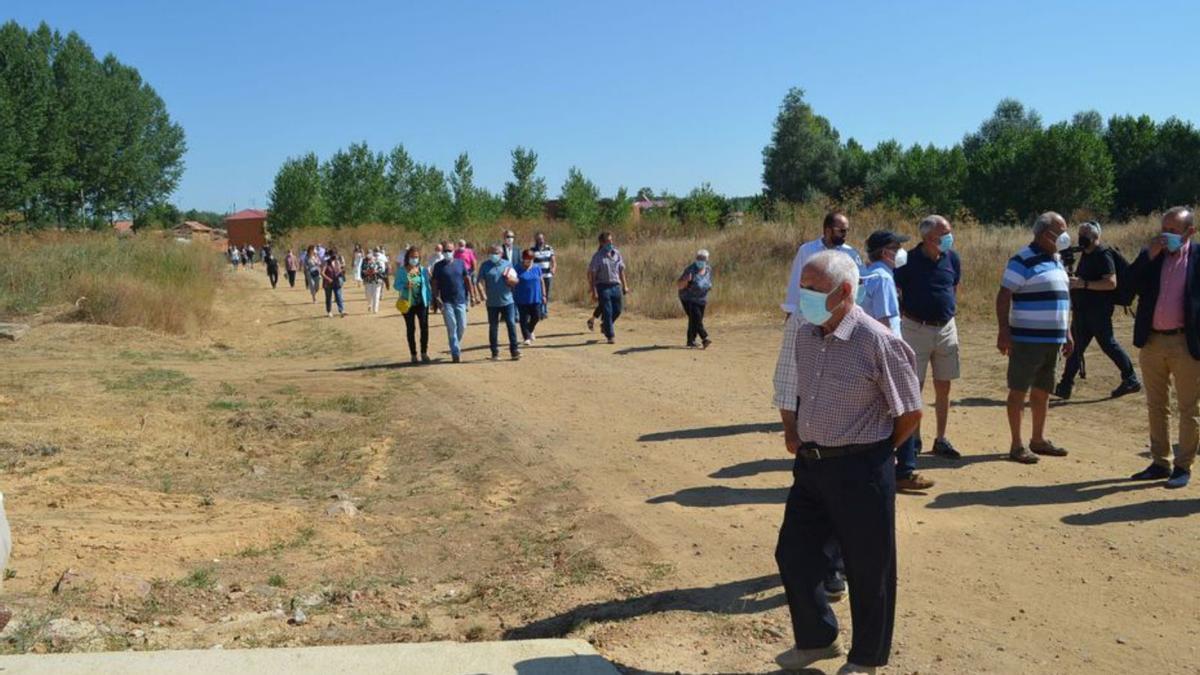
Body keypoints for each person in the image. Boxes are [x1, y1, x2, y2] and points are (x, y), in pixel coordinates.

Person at [771, 250, 923, 675]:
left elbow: (910, 412)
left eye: (814, 290)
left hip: (862, 467)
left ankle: (866, 658)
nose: (804, 298)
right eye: (802, 287)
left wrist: (876, 451)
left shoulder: (879, 341)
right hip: (812, 465)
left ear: (845, 293)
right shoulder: (804, 334)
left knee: (869, 567)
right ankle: (818, 639)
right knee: (794, 554)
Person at [1127, 206, 1200, 488]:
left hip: (1186, 343)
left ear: (1189, 232)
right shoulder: (1152, 258)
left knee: (1189, 408)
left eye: (1173, 230)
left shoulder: (1197, 258)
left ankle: (1183, 467)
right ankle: (1160, 462)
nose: (1166, 235)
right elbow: (1125, 291)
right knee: (1156, 405)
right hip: (1152, 341)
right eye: (1164, 229)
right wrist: (1147, 257)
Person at [996, 212, 1075, 464]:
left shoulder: (1057, 259)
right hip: (1026, 340)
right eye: (1060, 230)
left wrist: (1067, 332)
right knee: (1018, 390)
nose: (1065, 235)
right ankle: (1016, 445)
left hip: (1053, 340)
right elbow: (1004, 295)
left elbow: (1063, 298)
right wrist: (1004, 331)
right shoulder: (1022, 259)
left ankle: (1038, 440)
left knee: (1043, 390)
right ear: (1044, 234)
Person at [861, 230, 933, 492]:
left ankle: (887, 467)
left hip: (867, 352)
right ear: (885, 252)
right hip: (887, 352)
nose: (901, 251)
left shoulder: (867, 274)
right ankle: (905, 470)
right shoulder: (882, 279)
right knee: (907, 409)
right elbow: (885, 322)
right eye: (897, 246)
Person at [893, 215, 963, 460]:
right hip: (915, 329)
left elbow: (953, 287)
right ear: (928, 237)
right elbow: (896, 291)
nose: (949, 237)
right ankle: (914, 439)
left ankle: (941, 439)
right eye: (944, 234)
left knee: (944, 385)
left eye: (949, 232)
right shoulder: (908, 261)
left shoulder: (952, 257)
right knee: (915, 387)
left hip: (946, 328)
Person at [1054, 221, 1141, 400]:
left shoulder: (1103, 254)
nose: (1081, 238)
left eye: (1086, 234)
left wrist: (1082, 284)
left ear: (1096, 237)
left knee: (1108, 344)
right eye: (1080, 234)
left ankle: (1131, 378)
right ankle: (1065, 385)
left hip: (1098, 310)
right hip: (1083, 310)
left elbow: (1111, 282)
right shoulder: (1086, 254)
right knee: (1076, 347)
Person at [781, 212, 863, 316]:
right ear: (828, 230)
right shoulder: (807, 250)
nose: (845, 234)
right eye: (842, 231)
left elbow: (860, 286)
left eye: (847, 230)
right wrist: (791, 310)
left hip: (840, 313)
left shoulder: (851, 253)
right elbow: (796, 280)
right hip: (811, 312)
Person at [430, 239, 472, 363]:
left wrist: (473, 295)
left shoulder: (460, 263)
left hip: (460, 300)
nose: (448, 252)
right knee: (452, 326)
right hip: (446, 301)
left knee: (462, 326)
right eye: (446, 250)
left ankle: (455, 344)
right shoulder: (438, 266)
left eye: (450, 250)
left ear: (454, 250)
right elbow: (434, 283)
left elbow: (467, 279)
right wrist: (436, 298)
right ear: (442, 251)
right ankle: (455, 352)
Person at [477, 244, 521, 361]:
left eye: (496, 252)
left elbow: (516, 280)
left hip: (508, 301)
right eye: (491, 252)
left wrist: (512, 280)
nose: (493, 255)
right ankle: (495, 352)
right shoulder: (485, 265)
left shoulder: (507, 264)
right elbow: (479, 281)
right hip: (492, 303)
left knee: (511, 324)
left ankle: (514, 350)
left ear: (501, 254)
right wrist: (482, 293)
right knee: (493, 327)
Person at [588, 232, 630, 344]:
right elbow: (592, 275)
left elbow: (621, 270)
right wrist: (594, 291)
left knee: (617, 310)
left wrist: (625, 285)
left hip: (616, 286)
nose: (610, 242)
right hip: (603, 287)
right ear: (602, 242)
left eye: (611, 240)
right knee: (607, 311)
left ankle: (605, 325)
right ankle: (610, 335)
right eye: (608, 241)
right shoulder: (597, 257)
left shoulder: (617, 253)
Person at [396, 245, 432, 364]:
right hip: (408, 303)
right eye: (412, 257)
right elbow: (396, 285)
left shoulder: (423, 270)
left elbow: (427, 286)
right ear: (408, 257)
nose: (414, 259)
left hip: (422, 302)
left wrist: (430, 300)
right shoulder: (402, 270)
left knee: (424, 327)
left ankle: (424, 353)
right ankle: (413, 354)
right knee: (411, 328)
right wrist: (405, 286)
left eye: (416, 257)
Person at [677, 249, 713, 348]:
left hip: (702, 299)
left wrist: (709, 287)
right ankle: (705, 338)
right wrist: (687, 281)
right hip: (688, 298)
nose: (700, 260)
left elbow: (709, 281)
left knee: (695, 319)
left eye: (703, 258)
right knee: (696, 319)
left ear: (707, 260)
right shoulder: (690, 270)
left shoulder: (708, 269)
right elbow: (679, 285)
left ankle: (690, 341)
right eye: (698, 258)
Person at [515, 248, 547, 345]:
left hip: (535, 297)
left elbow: (541, 281)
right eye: (526, 259)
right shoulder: (517, 268)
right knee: (523, 319)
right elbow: (512, 281)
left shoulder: (537, 268)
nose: (528, 261)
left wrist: (544, 295)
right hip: (522, 298)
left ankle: (529, 330)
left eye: (530, 259)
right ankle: (526, 337)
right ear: (523, 259)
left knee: (536, 316)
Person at [531, 232, 557, 318]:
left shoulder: (549, 248)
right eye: (539, 239)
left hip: (547, 275)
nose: (541, 240)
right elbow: (530, 263)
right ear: (536, 240)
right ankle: (540, 311)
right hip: (537, 276)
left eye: (542, 238)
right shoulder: (532, 250)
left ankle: (544, 311)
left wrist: (553, 268)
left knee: (547, 293)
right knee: (539, 293)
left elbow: (553, 261)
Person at [320, 248, 346, 318]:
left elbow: (339, 271)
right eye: (333, 254)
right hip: (328, 283)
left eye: (336, 254)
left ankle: (341, 311)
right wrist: (328, 279)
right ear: (330, 255)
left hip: (337, 282)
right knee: (328, 298)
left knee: (338, 296)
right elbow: (322, 273)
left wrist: (342, 273)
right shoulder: (326, 262)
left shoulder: (337, 262)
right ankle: (329, 311)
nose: (335, 256)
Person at [361, 248, 385, 314]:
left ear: (372, 254)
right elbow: (362, 270)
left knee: (376, 295)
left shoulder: (377, 260)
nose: (368, 255)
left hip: (377, 280)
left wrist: (376, 271)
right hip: (368, 281)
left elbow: (381, 269)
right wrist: (366, 272)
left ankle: (375, 310)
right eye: (367, 253)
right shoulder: (364, 261)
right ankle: (369, 304)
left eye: (370, 253)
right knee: (368, 295)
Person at [428, 243, 445, 314]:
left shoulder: (444, 257)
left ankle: (441, 307)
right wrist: (430, 274)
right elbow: (428, 267)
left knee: (441, 293)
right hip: (433, 277)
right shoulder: (432, 257)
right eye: (437, 249)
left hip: (442, 278)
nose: (438, 250)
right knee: (434, 293)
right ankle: (435, 308)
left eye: (440, 249)